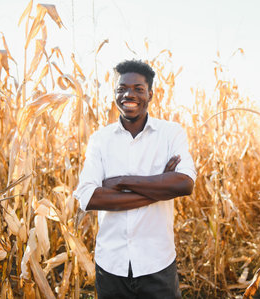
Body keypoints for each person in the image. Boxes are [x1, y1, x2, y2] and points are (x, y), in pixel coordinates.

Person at [73, 59, 196, 299]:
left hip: (157, 264)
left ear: (150, 94)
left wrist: (121, 181)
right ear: (115, 94)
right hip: (111, 265)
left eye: (138, 89)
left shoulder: (171, 133)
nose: (129, 94)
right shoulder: (100, 139)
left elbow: (184, 183)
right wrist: (160, 185)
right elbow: (87, 197)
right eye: (122, 89)